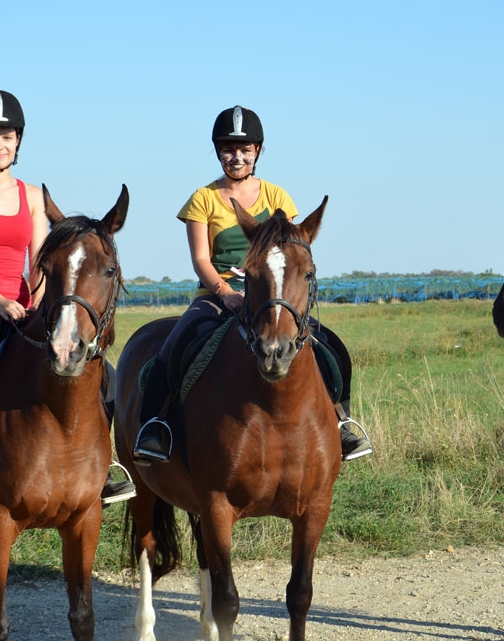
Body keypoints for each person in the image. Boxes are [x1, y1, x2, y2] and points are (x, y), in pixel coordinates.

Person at [0, 87, 135, 529]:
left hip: (23, 311)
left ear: (19, 140)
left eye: (7, 136)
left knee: (99, 375)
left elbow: (42, 261)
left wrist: (36, 306)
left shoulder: (32, 195)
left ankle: (102, 471)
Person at [131, 105, 373, 465]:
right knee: (172, 347)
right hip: (217, 294)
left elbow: (292, 253)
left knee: (330, 347)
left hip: (272, 296)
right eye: (229, 149)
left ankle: (341, 422)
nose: (237, 157)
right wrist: (226, 293)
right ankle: (155, 427)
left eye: (245, 150)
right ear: (218, 152)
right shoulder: (203, 199)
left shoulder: (277, 197)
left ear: (257, 151)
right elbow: (200, 259)